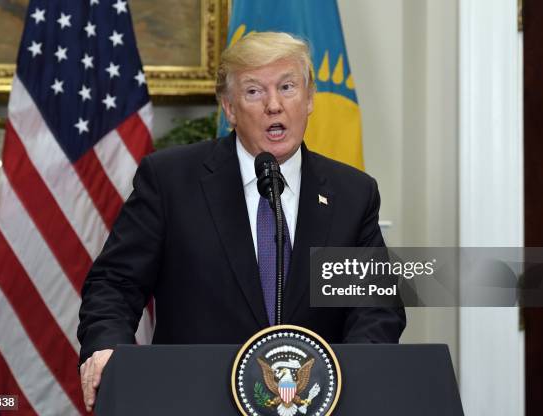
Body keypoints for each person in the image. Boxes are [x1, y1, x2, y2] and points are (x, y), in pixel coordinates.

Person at [77, 31, 406, 411]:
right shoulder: (171, 180)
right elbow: (115, 283)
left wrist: (350, 379)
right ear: (229, 108)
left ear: (310, 97)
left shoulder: (353, 193)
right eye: (254, 92)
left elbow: (375, 308)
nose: (274, 105)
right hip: (191, 399)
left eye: (287, 87)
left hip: (313, 404)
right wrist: (104, 345)